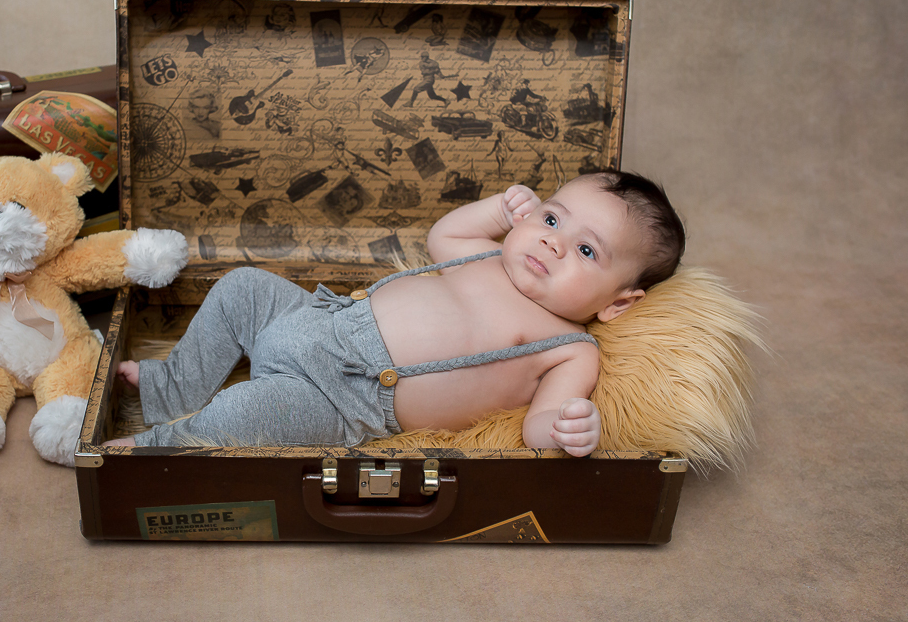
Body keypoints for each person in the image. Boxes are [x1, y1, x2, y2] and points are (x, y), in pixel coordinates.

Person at [109, 171, 685, 456]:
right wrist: (500, 210)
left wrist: (566, 430)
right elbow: (444, 232)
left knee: (242, 412)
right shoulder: (487, 256)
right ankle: (172, 386)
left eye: (587, 251)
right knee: (240, 289)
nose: (554, 243)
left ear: (618, 303)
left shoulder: (568, 348)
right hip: (321, 317)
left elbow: (538, 426)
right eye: (552, 220)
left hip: (345, 398)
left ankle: (153, 450)